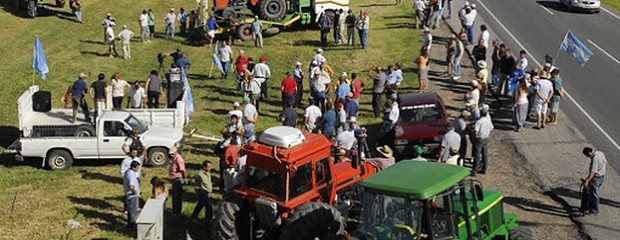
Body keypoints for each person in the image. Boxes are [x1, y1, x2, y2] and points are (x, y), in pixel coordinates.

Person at [580, 147, 606, 216]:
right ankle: (590, 206)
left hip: (596, 178)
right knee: (591, 193)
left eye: (587, 156)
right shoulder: (600, 153)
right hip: (602, 176)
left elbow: (593, 172)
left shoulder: (595, 159)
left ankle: (595, 210)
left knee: (594, 194)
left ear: (589, 153)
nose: (588, 157)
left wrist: (587, 181)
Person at [473, 108, 493, 174]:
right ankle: (485, 168)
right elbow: (491, 129)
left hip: (479, 138)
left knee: (477, 154)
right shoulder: (488, 121)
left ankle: (475, 169)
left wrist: (475, 136)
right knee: (485, 154)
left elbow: (476, 131)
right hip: (486, 138)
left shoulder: (479, 121)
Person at [169, 147, 187, 216]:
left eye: (172, 154)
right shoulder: (173, 159)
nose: (171, 155)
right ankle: (174, 211)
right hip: (174, 179)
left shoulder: (179, 159)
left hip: (178, 179)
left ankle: (177, 212)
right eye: (170, 154)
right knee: (174, 196)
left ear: (176, 152)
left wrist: (185, 178)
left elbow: (183, 170)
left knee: (177, 196)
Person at [123, 160, 141, 228]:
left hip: (128, 194)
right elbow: (131, 186)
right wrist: (135, 192)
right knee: (133, 211)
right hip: (132, 195)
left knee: (130, 210)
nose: (138, 169)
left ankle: (130, 223)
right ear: (134, 167)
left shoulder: (127, 172)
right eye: (137, 168)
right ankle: (132, 225)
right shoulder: (131, 175)